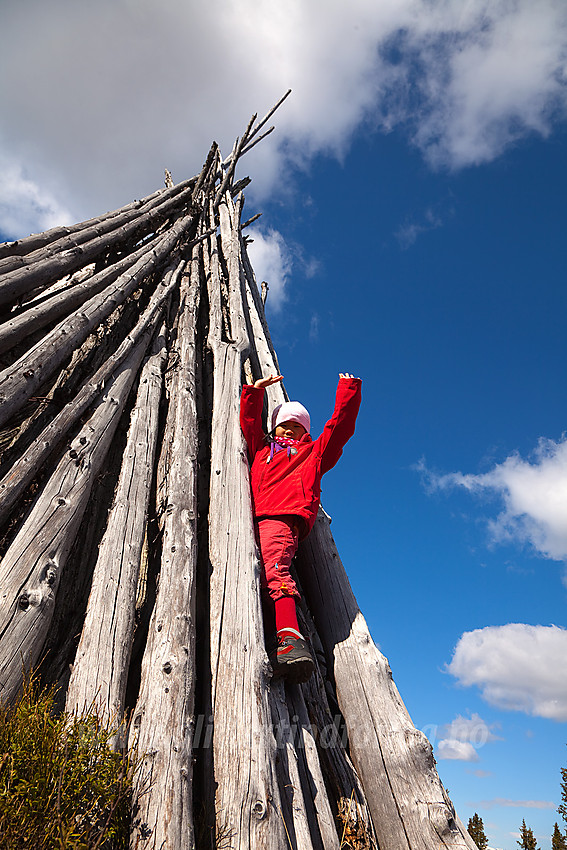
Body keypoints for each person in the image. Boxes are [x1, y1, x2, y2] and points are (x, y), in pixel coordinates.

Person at [240, 372, 362, 683]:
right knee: (256, 574)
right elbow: (250, 426)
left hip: (282, 517)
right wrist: (253, 393)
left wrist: (348, 390)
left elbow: (339, 429)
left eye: (298, 426)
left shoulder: (312, 453)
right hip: (249, 517)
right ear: (275, 425)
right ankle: (278, 635)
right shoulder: (262, 449)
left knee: (275, 572)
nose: (291, 430)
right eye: (285, 424)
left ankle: (290, 640)